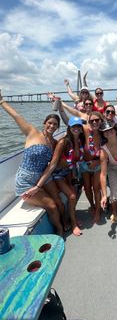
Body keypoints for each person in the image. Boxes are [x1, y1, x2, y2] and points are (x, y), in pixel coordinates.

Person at [0, 91, 63, 235]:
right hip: (25, 181)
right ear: (44, 123)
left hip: (41, 178)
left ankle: (64, 223)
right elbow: (17, 116)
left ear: (58, 128)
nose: (52, 126)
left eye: (55, 125)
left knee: (58, 200)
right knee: (52, 205)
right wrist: (2, 102)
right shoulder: (32, 132)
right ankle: (59, 230)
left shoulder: (54, 142)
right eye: (50, 123)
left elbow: (51, 165)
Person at [27, 116, 86, 236]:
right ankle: (73, 223)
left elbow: (74, 162)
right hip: (58, 174)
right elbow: (53, 163)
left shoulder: (80, 141)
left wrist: (74, 177)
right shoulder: (62, 142)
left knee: (73, 197)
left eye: (78, 127)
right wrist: (39, 185)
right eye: (74, 126)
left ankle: (70, 218)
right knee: (73, 196)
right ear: (69, 127)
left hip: (69, 173)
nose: (76, 129)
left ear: (81, 129)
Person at [79, 111, 104, 223]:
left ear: (101, 121)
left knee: (96, 188)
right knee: (87, 187)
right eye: (92, 121)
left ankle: (98, 210)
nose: (94, 122)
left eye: (97, 120)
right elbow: (68, 123)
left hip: (98, 164)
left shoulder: (104, 133)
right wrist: (60, 106)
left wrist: (98, 161)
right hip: (85, 164)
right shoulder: (85, 130)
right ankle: (92, 206)